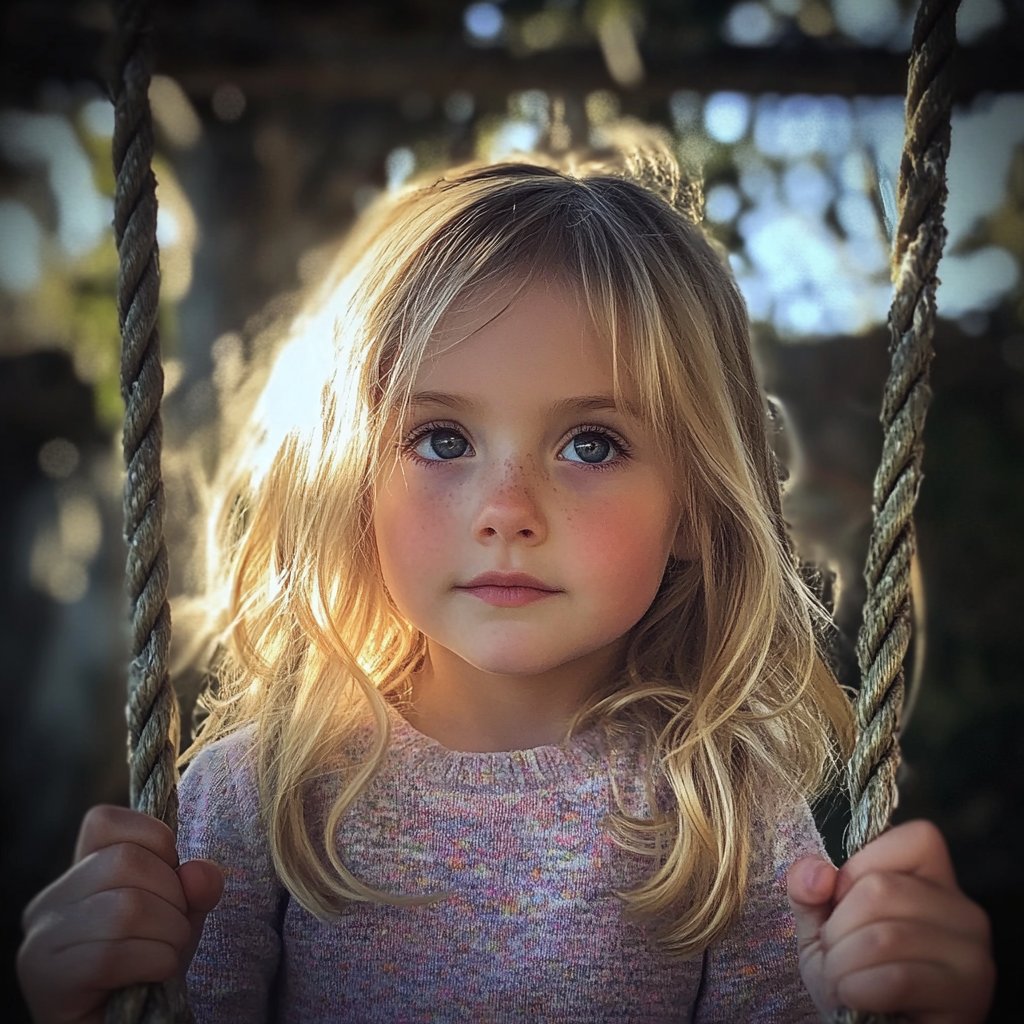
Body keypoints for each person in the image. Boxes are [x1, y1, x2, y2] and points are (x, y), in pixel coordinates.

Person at [17, 134, 995, 1023]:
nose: (507, 509)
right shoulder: (264, 793)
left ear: (696, 507)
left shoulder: (723, 806)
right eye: (442, 439)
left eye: (591, 443)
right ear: (354, 482)